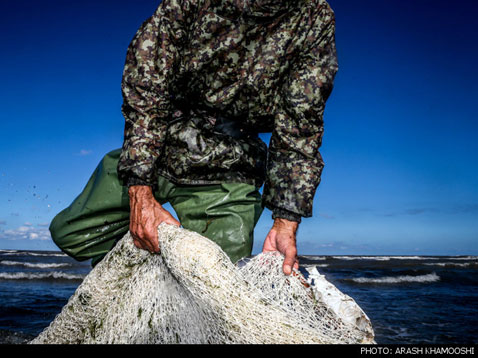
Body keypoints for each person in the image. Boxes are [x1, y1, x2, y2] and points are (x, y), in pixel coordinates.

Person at [49, 0, 338, 276]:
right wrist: (140, 187)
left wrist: (286, 222)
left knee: (215, 277)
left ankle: (166, 297)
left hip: (231, 165)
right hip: (163, 145)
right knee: (72, 234)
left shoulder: (315, 16)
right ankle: (132, 277)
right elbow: (148, 79)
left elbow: (300, 125)